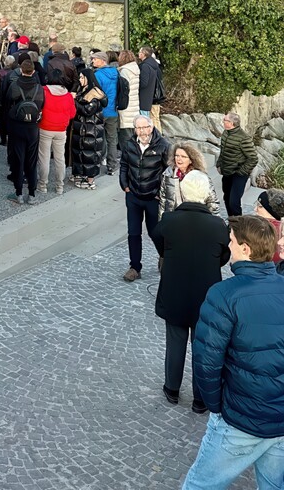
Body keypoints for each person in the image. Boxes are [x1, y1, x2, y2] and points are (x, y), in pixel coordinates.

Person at [182, 215, 284, 489]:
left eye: (231, 241)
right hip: (280, 420)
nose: (227, 246)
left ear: (245, 249)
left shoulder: (223, 295)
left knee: (200, 485)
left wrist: (217, 407)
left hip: (241, 417)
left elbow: (206, 362)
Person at [150, 171, 230, 413]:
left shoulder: (170, 220)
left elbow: (159, 244)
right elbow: (224, 257)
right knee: (202, 347)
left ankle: (172, 389)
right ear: (206, 195)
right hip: (206, 295)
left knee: (175, 342)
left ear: (183, 192)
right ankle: (200, 399)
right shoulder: (218, 226)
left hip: (174, 290)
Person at [119, 114, 171, 282]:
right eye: (138, 128)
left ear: (151, 127)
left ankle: (163, 255)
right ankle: (135, 267)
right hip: (133, 195)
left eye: (144, 127)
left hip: (152, 198)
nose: (141, 131)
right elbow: (124, 165)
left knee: (154, 231)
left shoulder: (163, 146)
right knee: (133, 233)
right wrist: (124, 185)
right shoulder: (129, 144)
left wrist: (159, 193)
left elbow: (169, 171)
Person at [5, 59, 44, 204]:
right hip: (33, 126)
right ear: (33, 71)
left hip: (17, 125)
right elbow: (42, 104)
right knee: (32, 160)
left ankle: (19, 192)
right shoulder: (39, 88)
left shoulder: (14, 85)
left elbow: (7, 102)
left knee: (18, 159)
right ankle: (32, 193)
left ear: (21, 70)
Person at [158, 143, 220, 220]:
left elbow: (212, 202)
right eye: (177, 155)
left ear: (191, 160)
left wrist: (213, 223)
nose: (179, 159)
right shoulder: (167, 174)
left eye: (183, 156)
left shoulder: (200, 177)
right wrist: (161, 221)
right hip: (173, 219)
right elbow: (163, 200)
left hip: (195, 219)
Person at [37, 75, 76, 195]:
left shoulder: (43, 91)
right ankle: (60, 186)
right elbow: (72, 114)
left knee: (44, 157)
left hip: (45, 128)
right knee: (60, 158)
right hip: (61, 129)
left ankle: (43, 184)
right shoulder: (68, 95)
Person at [216, 111, 257, 216]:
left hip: (239, 174)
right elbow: (223, 151)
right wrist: (219, 164)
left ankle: (238, 226)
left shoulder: (244, 138)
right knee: (226, 198)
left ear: (231, 123)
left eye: (225, 120)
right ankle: (231, 221)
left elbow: (253, 158)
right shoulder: (225, 133)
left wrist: (241, 172)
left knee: (234, 202)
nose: (223, 121)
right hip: (227, 172)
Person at [70, 68, 105, 191]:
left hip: (91, 130)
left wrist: (74, 101)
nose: (80, 80)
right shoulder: (83, 90)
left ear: (87, 78)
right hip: (82, 128)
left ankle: (90, 180)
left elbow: (87, 110)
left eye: (81, 77)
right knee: (81, 153)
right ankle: (80, 175)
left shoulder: (95, 93)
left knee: (91, 155)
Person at [91, 51, 119, 175]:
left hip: (101, 110)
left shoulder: (97, 75)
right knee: (112, 139)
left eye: (95, 59)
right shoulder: (115, 72)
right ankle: (112, 165)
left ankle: (98, 162)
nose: (93, 61)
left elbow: (95, 93)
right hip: (113, 110)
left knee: (99, 138)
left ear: (102, 60)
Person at [117, 50, 141, 152]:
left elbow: (123, 90)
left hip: (126, 106)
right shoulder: (136, 70)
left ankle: (128, 157)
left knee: (125, 136)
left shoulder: (125, 71)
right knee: (133, 134)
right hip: (134, 105)